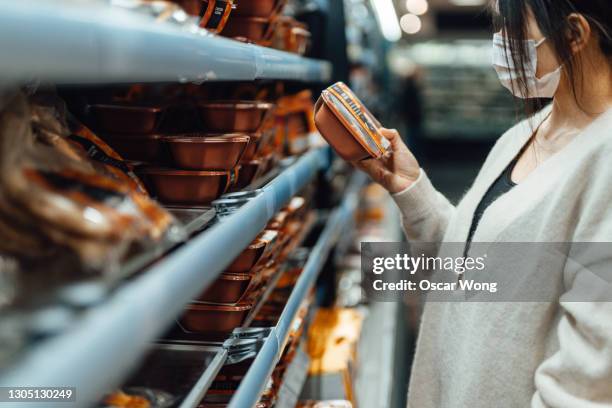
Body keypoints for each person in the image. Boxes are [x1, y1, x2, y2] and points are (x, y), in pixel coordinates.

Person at [356, 0, 612, 406]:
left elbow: (592, 380)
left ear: (575, 35)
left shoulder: (605, 162)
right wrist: (412, 188)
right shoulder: (525, 134)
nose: (501, 42)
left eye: (511, 26)